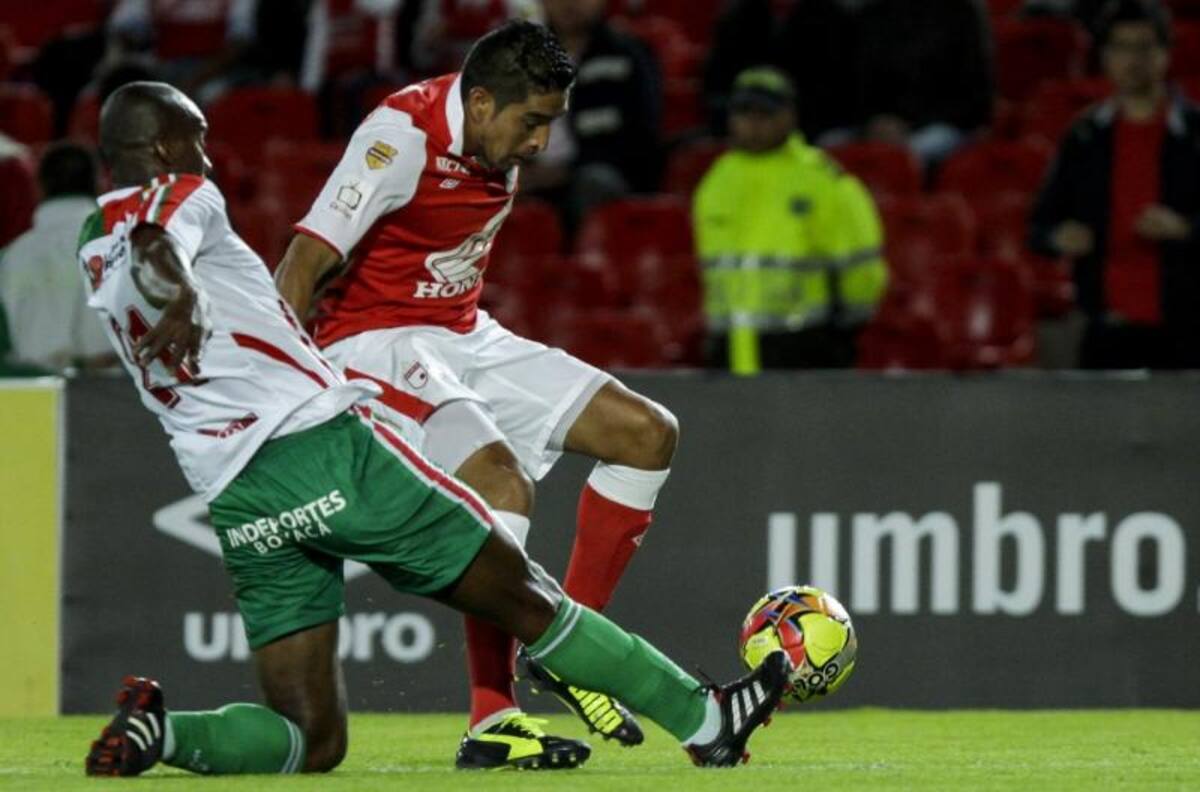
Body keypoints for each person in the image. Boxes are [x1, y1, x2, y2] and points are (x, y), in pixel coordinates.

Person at [80, 81, 788, 777]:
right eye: (198, 142)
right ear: (164, 146)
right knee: (529, 596)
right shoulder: (182, 197)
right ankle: (707, 720)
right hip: (323, 450)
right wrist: (172, 282)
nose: (208, 160)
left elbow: (135, 242)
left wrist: (163, 274)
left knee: (311, 738)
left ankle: (160, 732)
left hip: (237, 495)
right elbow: (157, 236)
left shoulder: (90, 242)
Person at [274, 21, 683, 769]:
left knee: (647, 433)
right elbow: (302, 264)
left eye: (551, 126)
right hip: (376, 342)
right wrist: (282, 404)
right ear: (483, 101)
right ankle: (492, 715)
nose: (539, 145)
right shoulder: (398, 139)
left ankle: (567, 644)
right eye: (532, 124)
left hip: (462, 334)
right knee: (500, 481)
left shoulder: (494, 136)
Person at [1029, 0, 1200, 368]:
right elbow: (1039, 228)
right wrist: (1061, 236)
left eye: (1144, 47)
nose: (1132, 59)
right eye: (1121, 47)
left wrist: (1184, 228)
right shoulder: (1085, 137)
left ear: (1166, 55)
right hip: (1106, 330)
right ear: (1105, 56)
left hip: (1186, 330)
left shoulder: (1196, 136)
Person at [693, 67, 888, 374]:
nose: (754, 123)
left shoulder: (823, 180)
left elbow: (862, 273)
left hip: (806, 348)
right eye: (745, 112)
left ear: (790, 116)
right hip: (729, 350)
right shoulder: (715, 182)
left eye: (765, 113)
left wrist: (839, 335)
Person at [521, 0, 663, 227]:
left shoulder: (629, 56)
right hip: (530, 176)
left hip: (596, 176)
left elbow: (641, 140)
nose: (570, 4)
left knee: (596, 182)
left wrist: (566, 170)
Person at [0, 142, 116, 374]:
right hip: (111, 399)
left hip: (31, 401)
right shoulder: (127, 249)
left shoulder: (10, 258)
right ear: (99, 184)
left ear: (39, 187)